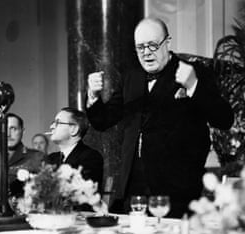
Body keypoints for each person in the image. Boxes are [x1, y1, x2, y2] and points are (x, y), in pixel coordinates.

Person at [86, 17, 234, 217]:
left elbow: (224, 119)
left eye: (153, 45)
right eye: (140, 47)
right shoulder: (131, 76)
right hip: (133, 188)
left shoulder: (194, 72)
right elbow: (103, 121)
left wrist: (193, 86)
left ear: (168, 43)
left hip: (177, 190)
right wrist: (93, 97)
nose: (146, 53)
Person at [0, 113, 45, 197]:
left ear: (22, 131)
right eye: (5, 129)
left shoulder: (37, 157)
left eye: (13, 128)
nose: (8, 134)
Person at [48, 107, 103, 186]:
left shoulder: (91, 157)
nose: (51, 127)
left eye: (57, 123)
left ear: (74, 129)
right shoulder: (51, 158)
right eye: (53, 122)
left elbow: (80, 190)